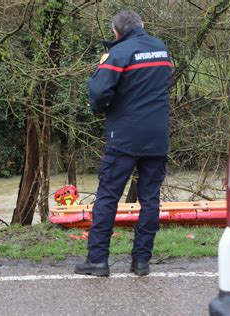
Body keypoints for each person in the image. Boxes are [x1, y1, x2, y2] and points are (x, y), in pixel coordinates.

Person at [74, 10, 172, 277]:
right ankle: (141, 262)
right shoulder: (161, 49)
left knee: (107, 198)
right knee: (150, 200)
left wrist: (103, 108)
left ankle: (97, 261)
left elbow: (97, 91)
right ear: (143, 25)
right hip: (157, 137)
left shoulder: (119, 53)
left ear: (116, 32)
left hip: (125, 138)